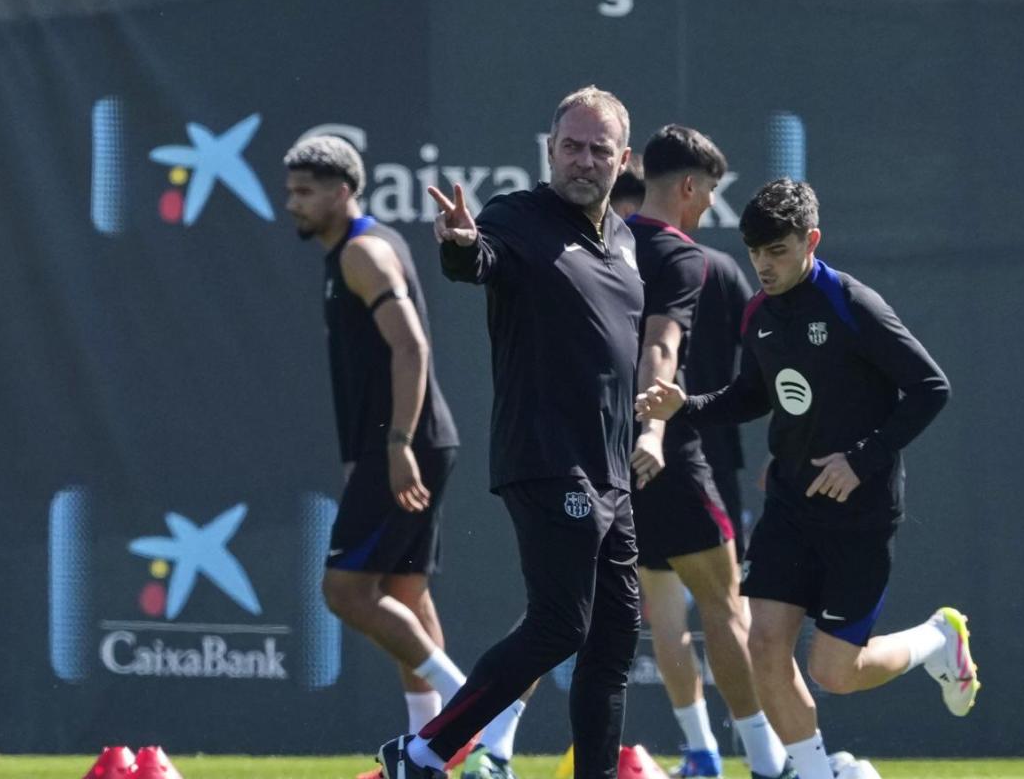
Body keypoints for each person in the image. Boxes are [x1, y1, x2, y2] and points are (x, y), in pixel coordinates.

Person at [637, 179, 975, 779]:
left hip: (860, 511)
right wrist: (682, 405)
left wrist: (861, 459)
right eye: (756, 254)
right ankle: (816, 773)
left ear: (810, 240)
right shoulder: (759, 313)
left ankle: (935, 640)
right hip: (791, 507)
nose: (765, 266)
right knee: (764, 644)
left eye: (779, 252)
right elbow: (749, 396)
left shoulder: (853, 304)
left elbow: (931, 388)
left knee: (833, 672)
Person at [377, 86, 646, 779]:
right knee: (561, 624)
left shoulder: (621, 238)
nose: (583, 161)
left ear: (622, 160)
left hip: (611, 473)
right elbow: (479, 259)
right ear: (549, 149)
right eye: (571, 147)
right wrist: (462, 246)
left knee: (614, 641)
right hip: (549, 459)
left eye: (598, 150)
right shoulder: (518, 217)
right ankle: (423, 752)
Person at [282, 134, 470, 756]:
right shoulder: (349, 253)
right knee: (405, 594)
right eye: (290, 192)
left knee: (345, 591)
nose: (294, 204)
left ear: (343, 191)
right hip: (404, 443)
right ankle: (433, 749)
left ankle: (473, 710)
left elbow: (412, 347)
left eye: (306, 192)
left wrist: (395, 445)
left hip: (406, 443)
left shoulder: (364, 252)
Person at [624, 126, 788, 779]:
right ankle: (771, 761)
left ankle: (699, 753)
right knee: (726, 613)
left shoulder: (601, 249)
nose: (708, 208)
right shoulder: (701, 261)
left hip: (612, 460)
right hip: (686, 457)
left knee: (618, 615)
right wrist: (656, 429)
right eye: (710, 195)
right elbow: (664, 352)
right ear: (688, 187)